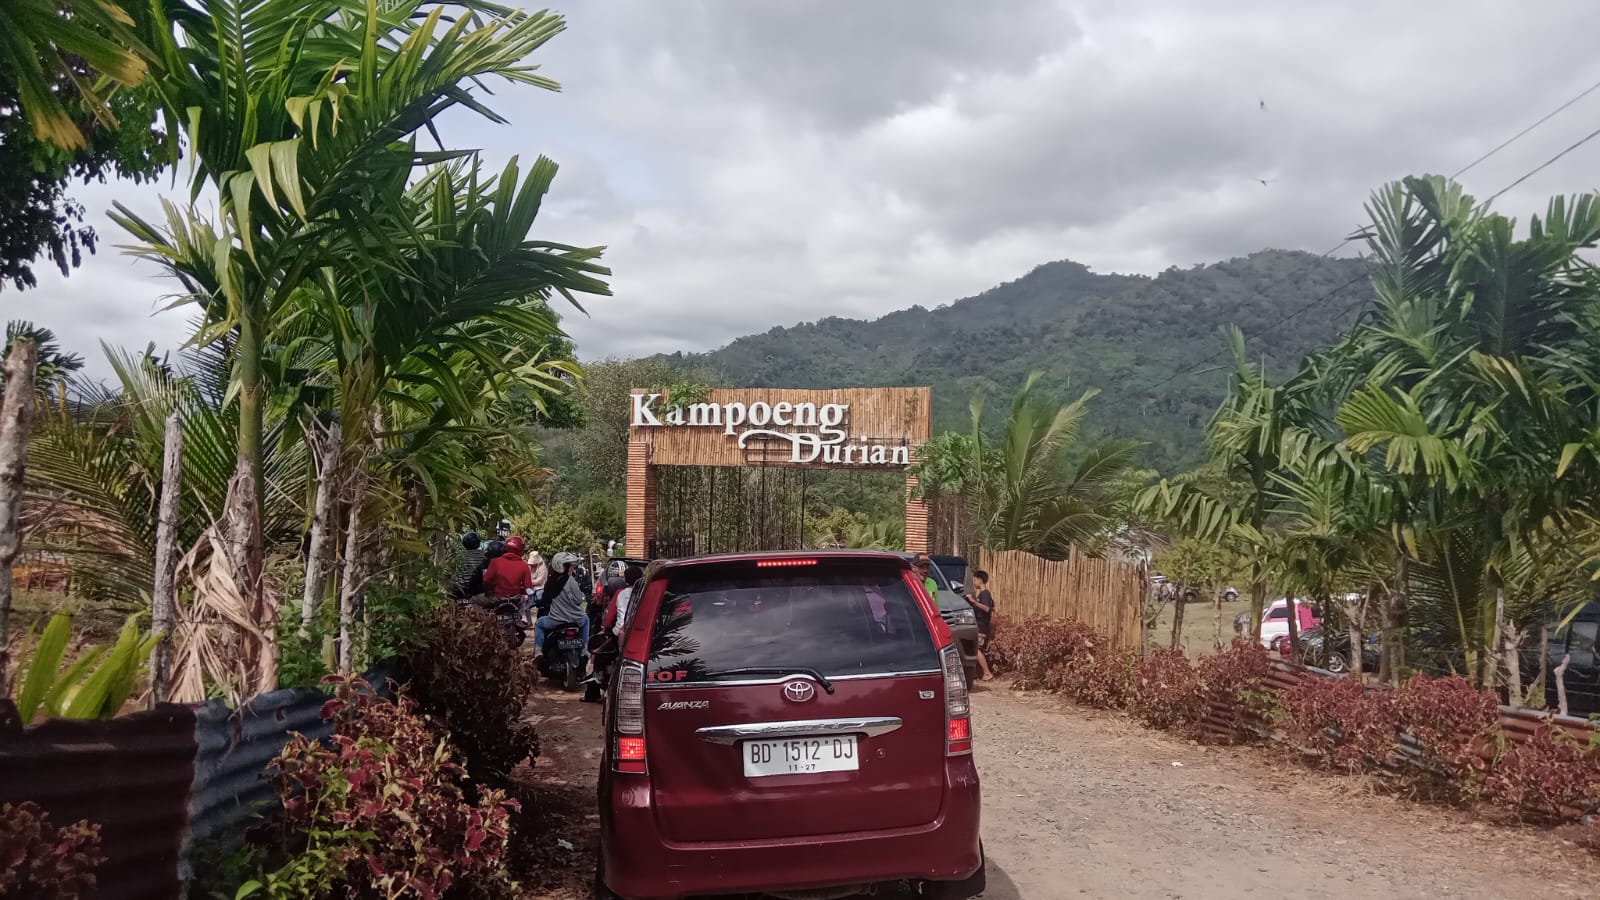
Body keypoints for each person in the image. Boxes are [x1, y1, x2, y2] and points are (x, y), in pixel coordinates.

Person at [535, 551, 590, 657]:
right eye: (570, 567)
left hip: (555, 621)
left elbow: (545, 599)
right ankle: (585, 649)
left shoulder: (550, 582)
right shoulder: (571, 581)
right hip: (576, 619)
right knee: (586, 619)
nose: (572, 569)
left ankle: (538, 651)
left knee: (538, 624)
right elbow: (579, 600)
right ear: (562, 566)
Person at [482, 536, 534, 601]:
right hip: (515, 601)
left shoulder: (495, 562)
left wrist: (489, 590)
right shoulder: (524, 565)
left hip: (496, 600)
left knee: (473, 599)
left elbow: (486, 581)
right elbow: (528, 588)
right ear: (521, 551)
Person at [966, 569, 996, 681]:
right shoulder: (980, 595)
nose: (974, 583)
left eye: (974, 580)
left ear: (980, 580)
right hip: (977, 625)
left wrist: (974, 602)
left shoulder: (985, 594)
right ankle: (979, 673)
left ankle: (987, 673)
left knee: (976, 650)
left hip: (982, 627)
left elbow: (987, 608)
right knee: (976, 650)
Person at [451, 531, 486, 602]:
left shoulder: (457, 556)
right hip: (474, 591)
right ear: (478, 542)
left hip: (457, 590)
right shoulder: (483, 556)